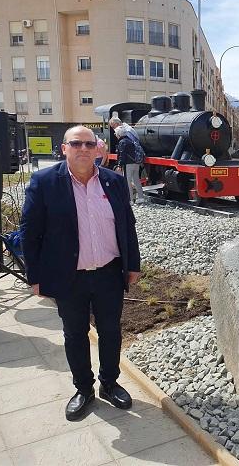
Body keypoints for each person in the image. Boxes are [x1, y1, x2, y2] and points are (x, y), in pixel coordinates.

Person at [21, 125, 141, 421]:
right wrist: (34, 277)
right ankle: (83, 389)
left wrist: (133, 265)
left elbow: (127, 225)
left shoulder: (113, 182)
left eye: (90, 144)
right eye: (76, 143)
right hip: (68, 276)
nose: (84, 149)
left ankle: (109, 384)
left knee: (111, 332)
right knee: (75, 334)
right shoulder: (44, 181)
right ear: (64, 149)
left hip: (109, 273)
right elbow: (29, 232)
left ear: (99, 149)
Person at [114, 125, 145, 204]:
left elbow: (122, 155)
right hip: (136, 163)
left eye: (116, 134)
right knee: (136, 180)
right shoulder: (131, 140)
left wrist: (119, 165)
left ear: (119, 134)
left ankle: (130, 199)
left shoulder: (122, 142)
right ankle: (141, 198)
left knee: (127, 181)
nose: (116, 135)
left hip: (128, 164)